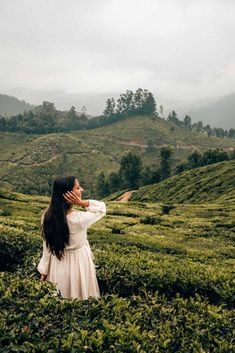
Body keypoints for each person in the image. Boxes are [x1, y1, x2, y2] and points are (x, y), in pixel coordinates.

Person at [37, 176, 106, 300]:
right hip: (79, 262)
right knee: (81, 298)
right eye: (78, 188)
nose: (82, 190)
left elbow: (47, 247)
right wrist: (81, 203)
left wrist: (44, 271)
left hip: (57, 262)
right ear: (69, 195)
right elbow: (102, 208)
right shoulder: (79, 219)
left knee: (59, 299)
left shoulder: (47, 216)